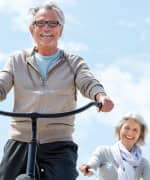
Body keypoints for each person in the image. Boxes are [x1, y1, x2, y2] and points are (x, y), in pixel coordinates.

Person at [0, 2, 114, 180]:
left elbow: (88, 81)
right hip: (20, 138)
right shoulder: (17, 60)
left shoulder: (74, 62)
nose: (47, 28)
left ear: (60, 30)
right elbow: (3, 81)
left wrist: (100, 96)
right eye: (40, 23)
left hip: (58, 142)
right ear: (32, 29)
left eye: (53, 24)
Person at [80, 113, 150, 180]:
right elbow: (93, 163)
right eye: (127, 128)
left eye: (135, 130)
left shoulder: (143, 163)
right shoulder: (104, 151)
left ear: (140, 135)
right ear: (120, 129)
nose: (130, 132)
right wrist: (88, 167)